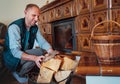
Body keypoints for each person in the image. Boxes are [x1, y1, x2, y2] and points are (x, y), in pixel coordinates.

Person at [3, 3, 55, 84]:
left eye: (38, 16)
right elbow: (15, 52)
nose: (36, 19)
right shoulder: (14, 27)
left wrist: (51, 52)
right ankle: (14, 71)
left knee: (41, 54)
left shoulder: (34, 27)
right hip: (12, 58)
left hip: (22, 55)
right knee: (39, 53)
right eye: (34, 15)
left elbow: (42, 41)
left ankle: (20, 73)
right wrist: (35, 58)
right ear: (25, 12)